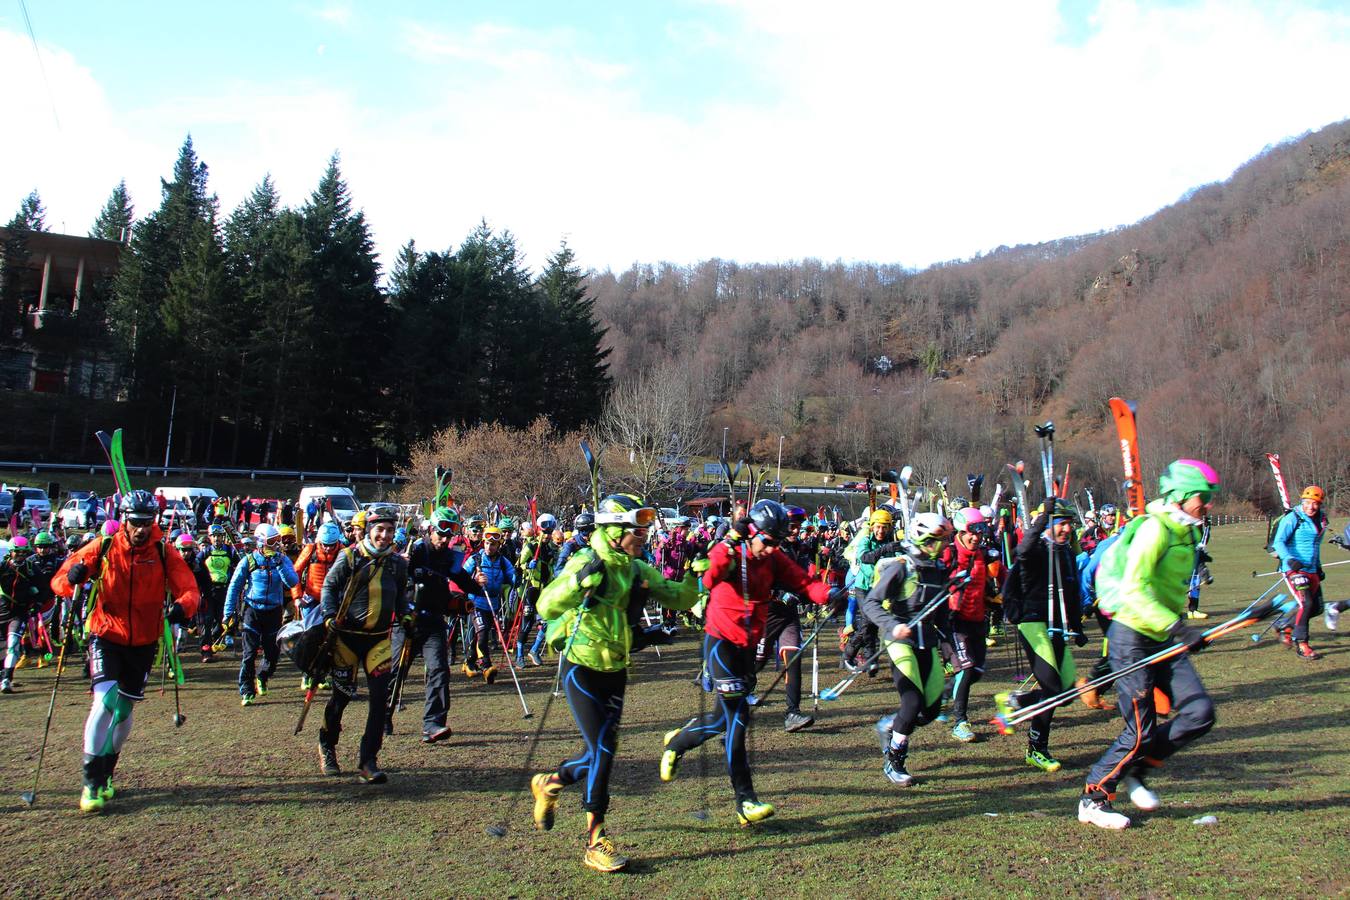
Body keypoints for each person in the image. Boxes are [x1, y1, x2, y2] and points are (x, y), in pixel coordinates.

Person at [531, 493, 702, 873]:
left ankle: (550, 783)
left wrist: (696, 573)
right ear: (612, 531)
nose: (643, 535)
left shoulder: (635, 568)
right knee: (604, 751)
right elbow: (546, 606)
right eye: (635, 529)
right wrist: (579, 580)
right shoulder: (585, 560)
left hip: (617, 668)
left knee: (599, 753)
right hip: (582, 667)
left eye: (644, 529)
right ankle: (595, 841)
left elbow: (679, 595)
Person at [659, 500, 835, 826]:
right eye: (767, 541)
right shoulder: (733, 552)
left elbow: (803, 581)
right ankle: (745, 801)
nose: (771, 549)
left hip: (747, 646)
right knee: (738, 719)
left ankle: (679, 742)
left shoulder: (772, 559)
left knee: (720, 719)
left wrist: (828, 595)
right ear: (751, 532)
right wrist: (729, 544)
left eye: (777, 543)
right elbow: (709, 579)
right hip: (721, 644)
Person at [1078, 460, 1221, 830]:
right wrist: (1177, 626)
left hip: (1161, 637)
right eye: (1202, 498)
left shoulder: (1187, 531)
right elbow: (1133, 589)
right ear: (1182, 496)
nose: (1207, 505)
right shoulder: (1155, 529)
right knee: (1139, 729)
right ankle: (1093, 798)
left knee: (1199, 713)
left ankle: (1136, 770)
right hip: (1132, 638)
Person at [53, 490, 200, 812]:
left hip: (145, 641)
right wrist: (73, 577)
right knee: (104, 702)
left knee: (123, 711)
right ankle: (91, 782)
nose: (141, 528)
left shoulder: (163, 552)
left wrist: (181, 608)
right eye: (135, 522)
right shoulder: (104, 547)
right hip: (105, 633)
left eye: (147, 522)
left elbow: (189, 590)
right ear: (124, 520)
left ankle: (106, 774)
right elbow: (60, 580)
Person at [317, 503, 411, 784]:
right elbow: (329, 587)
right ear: (369, 530)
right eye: (380, 529)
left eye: (390, 530)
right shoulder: (350, 557)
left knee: (380, 701)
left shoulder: (397, 564)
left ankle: (368, 760)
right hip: (347, 640)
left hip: (379, 641)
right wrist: (328, 615)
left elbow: (401, 597)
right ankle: (327, 744)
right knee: (341, 697)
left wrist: (407, 614)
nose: (384, 535)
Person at [864, 512, 957, 785]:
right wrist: (892, 625)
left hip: (925, 642)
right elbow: (871, 603)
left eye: (942, 542)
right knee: (912, 701)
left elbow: (941, 618)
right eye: (934, 542)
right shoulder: (901, 567)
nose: (940, 548)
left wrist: (951, 652)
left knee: (929, 710)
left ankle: (891, 725)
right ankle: (894, 761)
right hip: (899, 641)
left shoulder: (938, 571)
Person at [996, 497, 1084, 774]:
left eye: (1069, 524)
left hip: (1057, 624)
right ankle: (1036, 749)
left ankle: (1017, 701)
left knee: (1067, 691)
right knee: (1053, 690)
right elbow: (1022, 551)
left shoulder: (1066, 553)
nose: (1066, 530)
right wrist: (1042, 519)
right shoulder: (1037, 549)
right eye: (1061, 524)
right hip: (1032, 621)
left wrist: (1077, 625)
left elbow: (1071, 589)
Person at [395, 507, 476, 742]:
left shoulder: (450, 556)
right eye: (441, 534)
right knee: (396, 672)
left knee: (439, 670)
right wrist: (403, 565)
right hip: (408, 620)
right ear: (431, 530)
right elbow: (399, 578)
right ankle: (383, 715)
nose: (444, 539)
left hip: (434, 622)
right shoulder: (416, 550)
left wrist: (477, 586)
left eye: (449, 535)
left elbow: (461, 578)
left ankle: (433, 724)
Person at [223, 523, 299, 706]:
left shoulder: (282, 559)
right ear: (261, 542)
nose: (276, 545)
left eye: (277, 541)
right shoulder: (248, 561)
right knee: (249, 654)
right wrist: (227, 613)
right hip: (252, 611)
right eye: (272, 541)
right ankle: (246, 690)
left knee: (272, 654)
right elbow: (234, 587)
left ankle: (263, 676)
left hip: (273, 612)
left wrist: (279, 564)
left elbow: (292, 582)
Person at [944, 507, 997, 743]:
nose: (975, 538)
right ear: (960, 531)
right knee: (966, 670)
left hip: (977, 620)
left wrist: (996, 596)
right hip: (954, 622)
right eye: (970, 533)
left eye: (979, 533)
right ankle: (960, 722)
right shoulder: (949, 554)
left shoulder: (982, 554)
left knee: (976, 671)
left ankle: (943, 696)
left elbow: (992, 580)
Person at [1271, 485, 1329, 659]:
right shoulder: (1293, 517)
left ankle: (1285, 625)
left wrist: (1318, 567)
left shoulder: (1322, 520)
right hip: (1294, 569)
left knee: (1317, 608)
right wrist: (1289, 559)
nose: (1310, 507)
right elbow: (1279, 542)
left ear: (1320, 504)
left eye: (1315, 503)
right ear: (1302, 501)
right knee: (1307, 604)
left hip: (1312, 569)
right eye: (1307, 502)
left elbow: (1316, 546)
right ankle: (1302, 643)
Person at [462, 525, 517, 682]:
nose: (489, 547)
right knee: (483, 632)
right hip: (476, 602)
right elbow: (462, 578)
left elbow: (511, 576)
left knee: (480, 634)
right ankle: (486, 665)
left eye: (493, 544)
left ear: (498, 545)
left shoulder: (503, 561)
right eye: (486, 543)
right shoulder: (476, 559)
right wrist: (475, 580)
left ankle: (470, 661)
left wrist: (516, 578)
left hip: (492, 604)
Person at [198, 524, 238, 662]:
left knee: (223, 621)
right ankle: (206, 651)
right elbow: (196, 566)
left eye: (219, 536)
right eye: (214, 536)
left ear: (223, 537)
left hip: (225, 591)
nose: (217, 539)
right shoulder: (206, 552)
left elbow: (241, 564)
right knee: (207, 621)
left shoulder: (229, 551)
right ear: (210, 537)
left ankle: (215, 641)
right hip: (209, 591)